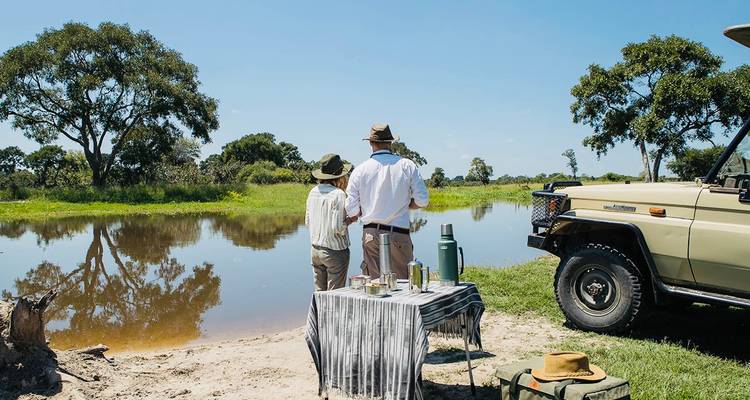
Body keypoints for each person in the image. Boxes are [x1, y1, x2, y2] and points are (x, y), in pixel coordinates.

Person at [345, 123, 429, 279]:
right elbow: (422, 201)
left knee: (375, 286)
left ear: (370, 143)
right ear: (391, 142)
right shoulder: (407, 165)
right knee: (403, 285)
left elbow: (352, 210)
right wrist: (407, 204)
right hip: (398, 233)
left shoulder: (359, 170)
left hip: (371, 234)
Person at [305, 153, 353, 291]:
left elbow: (308, 221)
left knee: (319, 294)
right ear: (340, 176)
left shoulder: (313, 191)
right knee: (335, 296)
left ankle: (317, 314)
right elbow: (338, 228)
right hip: (334, 251)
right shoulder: (338, 194)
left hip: (314, 250)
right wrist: (351, 220)